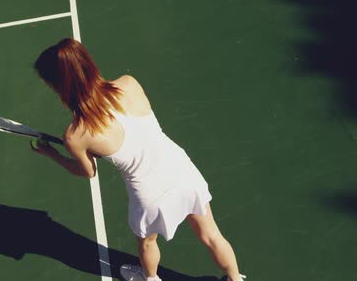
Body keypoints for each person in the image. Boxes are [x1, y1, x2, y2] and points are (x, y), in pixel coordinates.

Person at [30, 38, 246, 281]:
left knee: (147, 244)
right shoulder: (128, 83)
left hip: (149, 194)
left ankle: (150, 278)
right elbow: (136, 134)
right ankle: (235, 278)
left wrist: (53, 154)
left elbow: (88, 172)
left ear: (60, 85)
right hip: (182, 170)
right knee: (212, 236)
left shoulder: (75, 136)